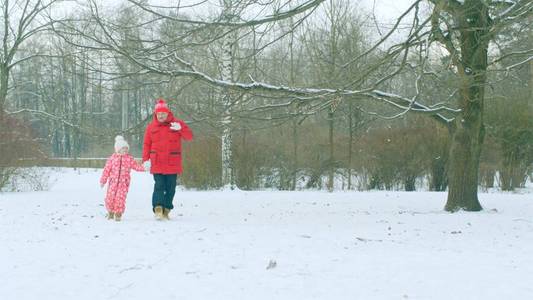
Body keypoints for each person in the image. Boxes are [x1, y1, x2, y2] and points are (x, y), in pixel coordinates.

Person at [142, 99, 193, 220]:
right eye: (158, 114)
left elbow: (189, 137)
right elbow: (146, 144)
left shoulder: (176, 124)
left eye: (163, 114)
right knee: (159, 185)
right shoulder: (151, 127)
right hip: (157, 162)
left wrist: (181, 129)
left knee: (171, 187)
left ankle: (167, 209)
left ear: (168, 113)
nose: (161, 116)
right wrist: (146, 160)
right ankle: (158, 208)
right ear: (155, 114)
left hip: (172, 163)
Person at [100, 135, 145, 221]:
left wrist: (144, 168)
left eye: (126, 148)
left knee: (120, 198)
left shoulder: (129, 159)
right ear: (118, 149)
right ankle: (110, 211)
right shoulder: (112, 159)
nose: (125, 150)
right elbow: (106, 170)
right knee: (110, 197)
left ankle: (118, 213)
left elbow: (136, 167)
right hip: (113, 182)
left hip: (123, 183)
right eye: (123, 148)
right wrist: (103, 181)